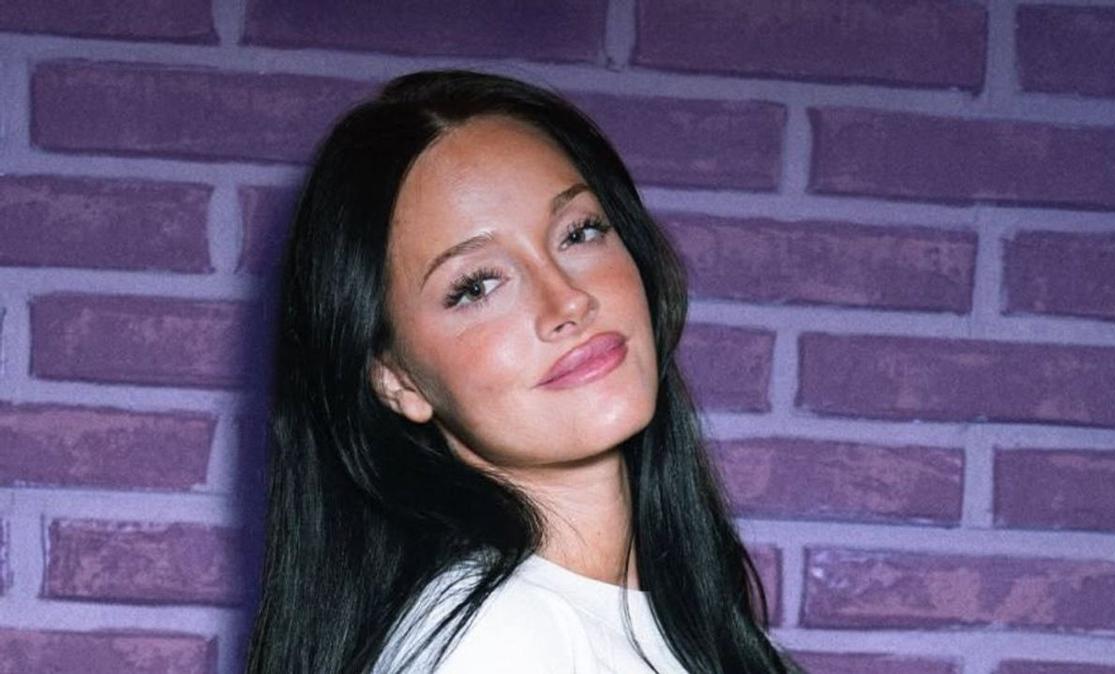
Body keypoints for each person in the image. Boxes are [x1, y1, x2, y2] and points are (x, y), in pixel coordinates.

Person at [243, 69, 798, 674]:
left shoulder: (670, 623)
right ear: (395, 378)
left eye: (579, 232)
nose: (568, 301)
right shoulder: (494, 637)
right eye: (477, 286)